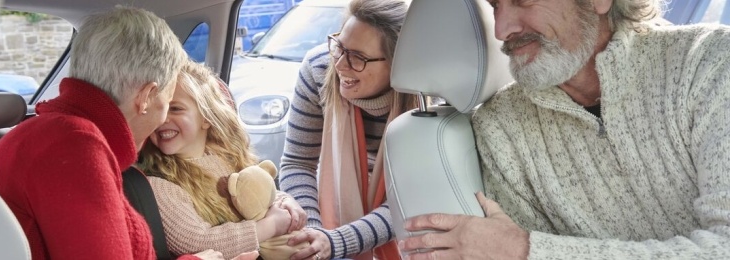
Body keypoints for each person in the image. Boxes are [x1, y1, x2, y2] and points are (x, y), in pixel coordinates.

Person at [399, 0, 730, 259]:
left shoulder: (709, 62)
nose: (502, 29)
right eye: (495, 5)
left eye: (523, 0)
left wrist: (525, 251)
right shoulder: (499, 128)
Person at [0, 7, 210, 260]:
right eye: (168, 101)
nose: (164, 119)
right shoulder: (73, 148)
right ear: (146, 97)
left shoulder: (50, 135)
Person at [278, 0, 417, 259]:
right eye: (339, 47)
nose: (340, 64)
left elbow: (410, 201)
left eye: (358, 57)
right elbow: (298, 163)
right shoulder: (319, 69)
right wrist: (313, 234)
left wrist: (336, 241)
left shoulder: (428, 103)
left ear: (398, 63)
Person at [137, 62, 305, 258]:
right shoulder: (158, 185)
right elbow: (197, 242)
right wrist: (270, 226)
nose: (162, 119)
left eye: (175, 109)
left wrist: (285, 202)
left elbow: (258, 193)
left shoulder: (228, 159)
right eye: (158, 110)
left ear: (206, 118)